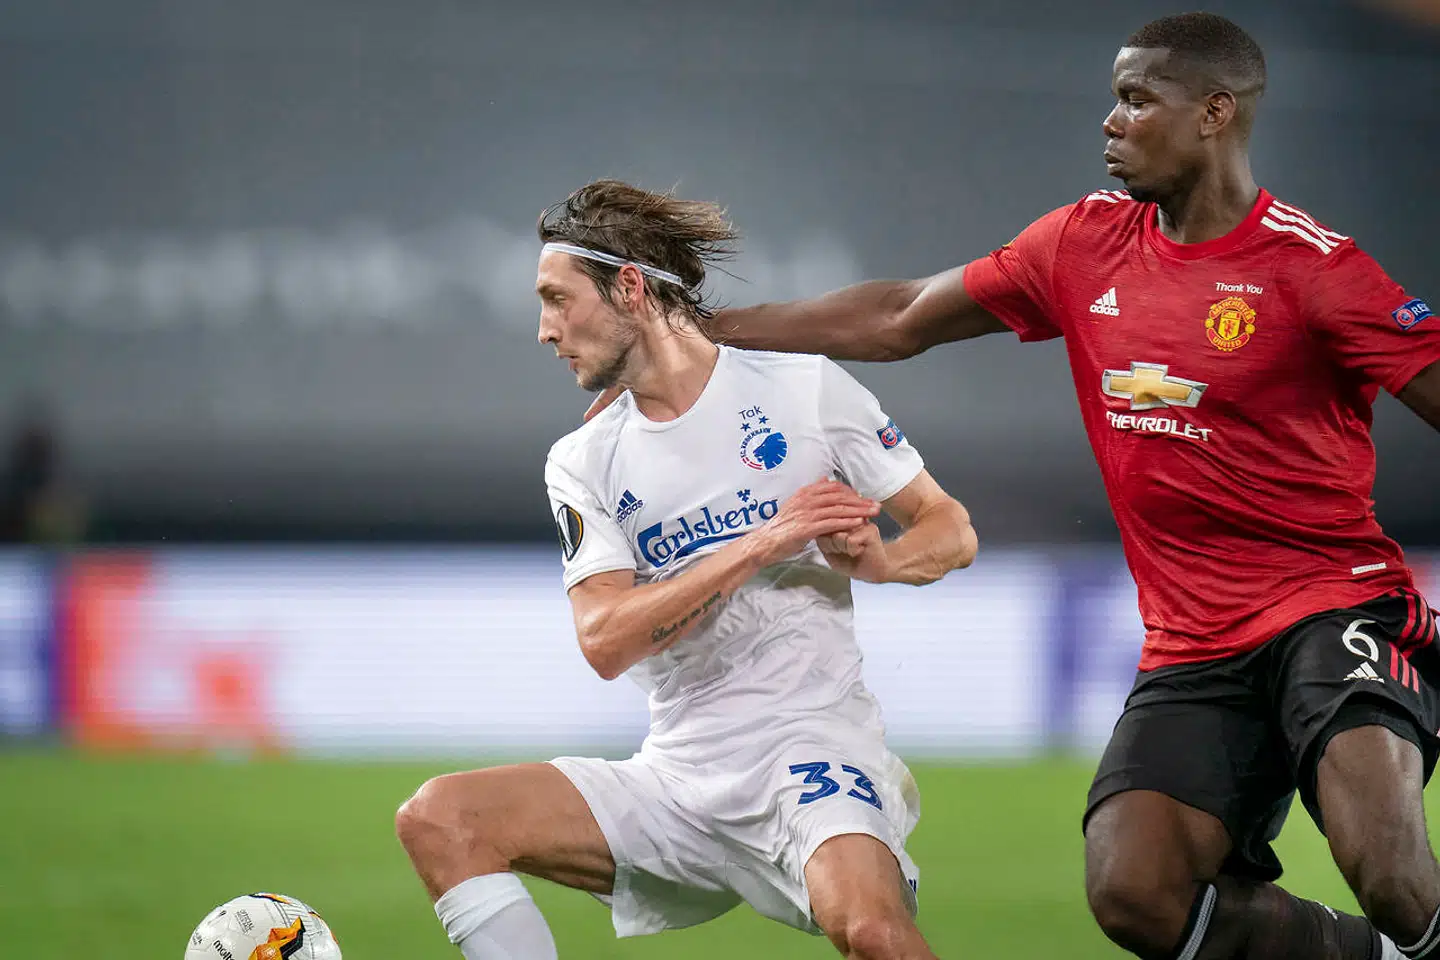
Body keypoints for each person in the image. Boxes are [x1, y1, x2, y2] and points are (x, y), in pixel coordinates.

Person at [585, 12, 1440, 960]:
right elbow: (901, 315)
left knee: (1394, 876)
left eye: (1135, 99)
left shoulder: (1315, 270)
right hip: (1194, 647)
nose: (1110, 122)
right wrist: (706, 335)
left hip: (1334, 612)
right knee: (1135, 894)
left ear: (1214, 113)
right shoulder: (1083, 245)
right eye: (1113, 98)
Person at [395, 179, 978, 960]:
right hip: (677, 776)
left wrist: (882, 563)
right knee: (440, 817)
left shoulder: (803, 390)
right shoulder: (583, 460)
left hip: (811, 749)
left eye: (558, 299)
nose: (544, 330)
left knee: (872, 930)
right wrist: (758, 545)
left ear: (629, 287)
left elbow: (950, 529)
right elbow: (603, 640)